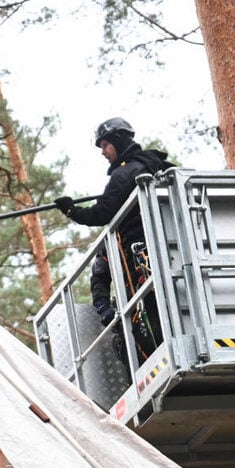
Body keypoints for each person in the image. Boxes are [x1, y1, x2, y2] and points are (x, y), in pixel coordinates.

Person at [54, 117, 174, 358]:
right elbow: (100, 275)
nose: (102, 152)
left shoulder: (124, 174)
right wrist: (103, 307)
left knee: (148, 334)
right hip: (173, 254)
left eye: (105, 145)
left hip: (143, 265)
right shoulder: (161, 167)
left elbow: (102, 213)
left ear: (118, 141)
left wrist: (71, 210)